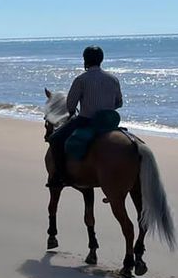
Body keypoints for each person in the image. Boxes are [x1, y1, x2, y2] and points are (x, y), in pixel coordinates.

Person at [47, 45, 123, 187]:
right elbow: (119, 103)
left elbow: (70, 106)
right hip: (109, 123)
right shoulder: (113, 79)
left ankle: (59, 177)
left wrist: (75, 111)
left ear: (85, 60)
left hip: (86, 121)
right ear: (101, 60)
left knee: (55, 139)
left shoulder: (81, 79)